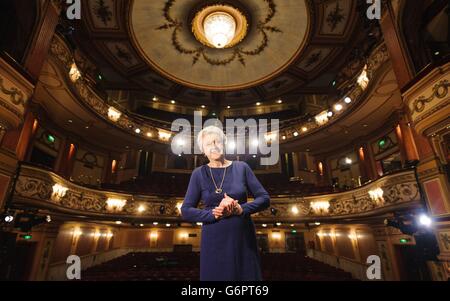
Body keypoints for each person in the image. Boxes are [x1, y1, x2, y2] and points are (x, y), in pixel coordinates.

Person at [181, 126, 270, 281]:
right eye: (208, 144)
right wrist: (213, 213)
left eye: (218, 142)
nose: (214, 146)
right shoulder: (198, 173)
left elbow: (264, 198)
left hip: (242, 237)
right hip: (214, 239)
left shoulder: (242, 167)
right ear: (203, 150)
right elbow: (186, 210)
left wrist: (240, 208)